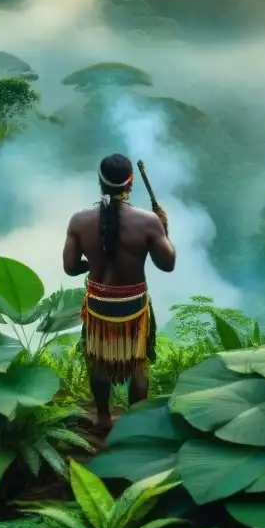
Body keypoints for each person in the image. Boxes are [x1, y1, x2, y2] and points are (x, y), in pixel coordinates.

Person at [62, 153, 176, 431]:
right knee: (138, 363)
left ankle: (102, 417)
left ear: (100, 183)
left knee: (98, 359)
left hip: (99, 305)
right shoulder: (149, 221)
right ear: (131, 183)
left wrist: (91, 264)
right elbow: (168, 264)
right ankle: (135, 425)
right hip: (134, 306)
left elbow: (70, 267)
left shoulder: (79, 221)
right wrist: (164, 228)